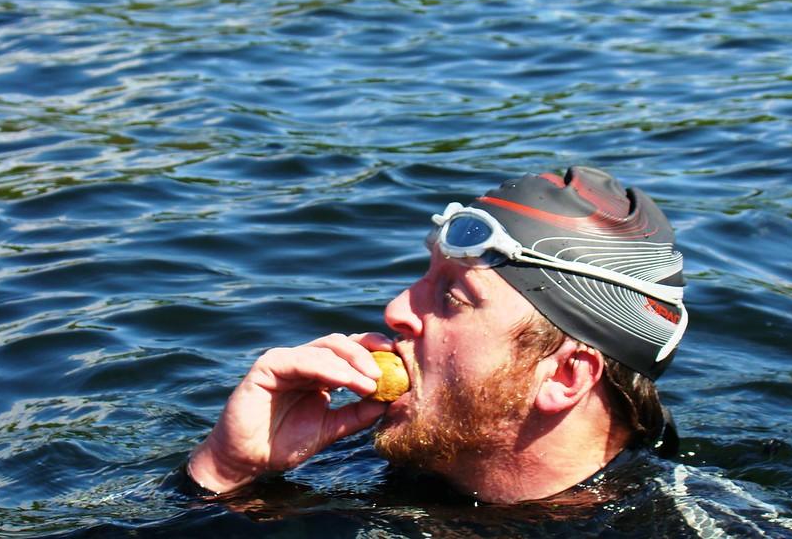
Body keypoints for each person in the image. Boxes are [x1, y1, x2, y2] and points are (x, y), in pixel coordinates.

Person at [186, 166, 688, 504]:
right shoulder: (340, 464)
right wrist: (225, 473)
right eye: (425, 278)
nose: (397, 309)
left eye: (453, 297)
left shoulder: (685, 529)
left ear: (563, 375)